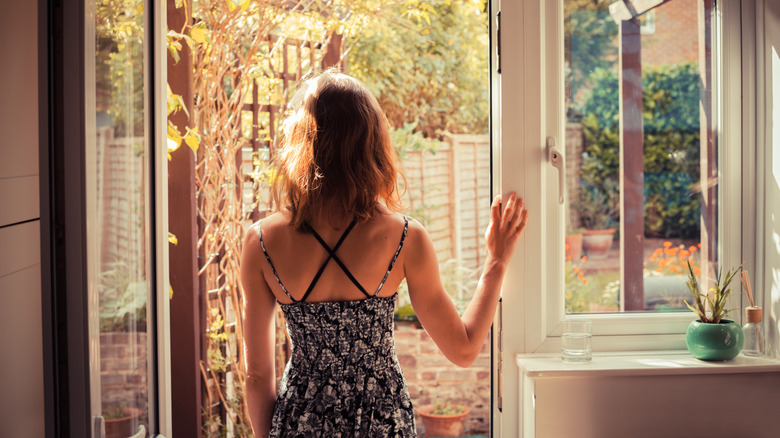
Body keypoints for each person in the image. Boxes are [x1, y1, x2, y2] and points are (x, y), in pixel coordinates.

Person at [240, 69, 528, 438]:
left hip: (301, 423)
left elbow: (256, 376)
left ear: (302, 141)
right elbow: (464, 349)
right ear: (373, 143)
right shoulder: (406, 237)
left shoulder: (261, 242)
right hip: (381, 421)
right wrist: (496, 262)